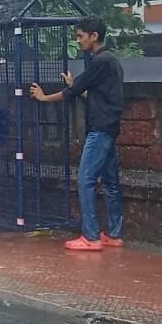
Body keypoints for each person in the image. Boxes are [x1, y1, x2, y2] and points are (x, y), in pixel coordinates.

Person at [30, 16, 126, 252]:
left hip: (99, 130)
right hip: (110, 128)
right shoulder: (112, 61)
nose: (79, 41)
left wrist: (44, 98)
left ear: (94, 36)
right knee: (111, 182)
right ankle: (113, 234)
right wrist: (75, 85)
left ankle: (91, 237)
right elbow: (95, 95)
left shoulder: (99, 61)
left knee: (86, 180)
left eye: (81, 36)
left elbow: (70, 93)